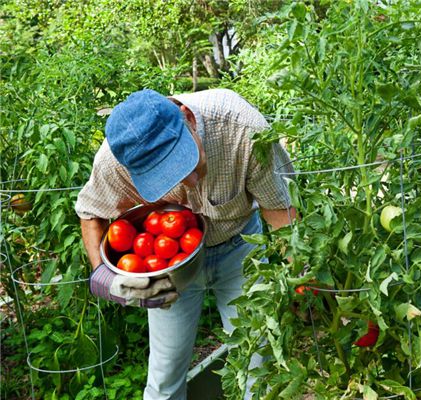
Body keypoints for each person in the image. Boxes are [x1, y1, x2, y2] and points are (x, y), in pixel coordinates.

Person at [75, 88, 296, 399]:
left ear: (188, 119)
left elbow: (280, 212)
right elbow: (91, 213)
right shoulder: (114, 160)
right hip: (168, 270)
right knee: (164, 375)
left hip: (240, 249)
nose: (189, 182)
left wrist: (295, 275)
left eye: (186, 164)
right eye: (166, 177)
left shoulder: (242, 128)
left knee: (256, 360)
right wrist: (103, 277)